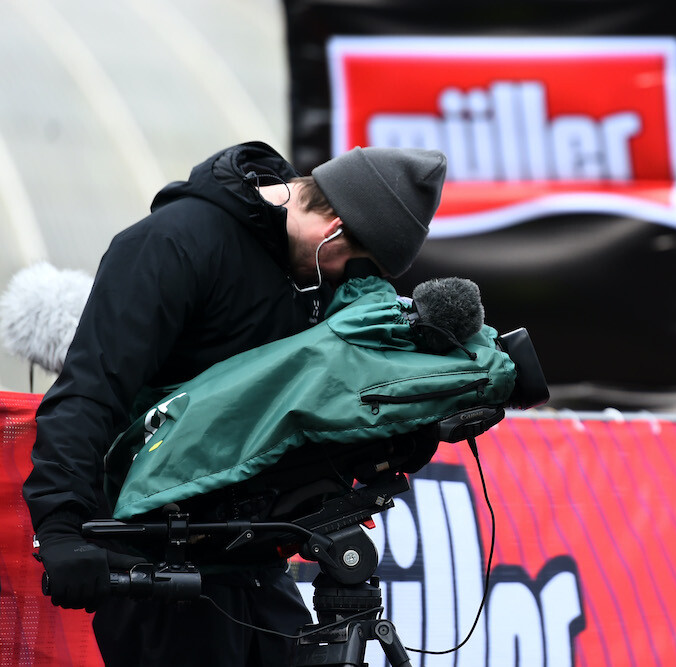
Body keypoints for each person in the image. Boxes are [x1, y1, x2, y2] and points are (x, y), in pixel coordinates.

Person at [22, 141, 447, 665]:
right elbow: (91, 390)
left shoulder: (309, 274)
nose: (346, 280)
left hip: (257, 567)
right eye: (353, 264)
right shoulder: (173, 244)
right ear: (334, 228)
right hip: (159, 571)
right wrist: (60, 525)